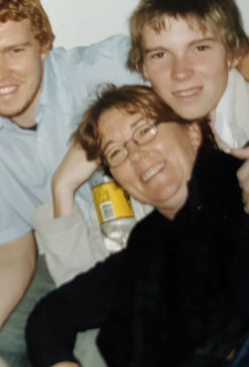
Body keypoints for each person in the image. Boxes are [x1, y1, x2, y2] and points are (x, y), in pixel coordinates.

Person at [0, 0, 148, 364]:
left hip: (156, 254)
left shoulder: (106, 67)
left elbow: (213, 51)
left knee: (97, 352)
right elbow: (10, 248)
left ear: (44, 46)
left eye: (15, 51)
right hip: (68, 265)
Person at [26, 84, 249, 367]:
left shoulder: (238, 190)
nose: (136, 155)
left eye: (144, 131)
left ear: (192, 133)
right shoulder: (150, 241)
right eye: (116, 153)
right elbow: (50, 315)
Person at [126, 0, 249, 211]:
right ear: (143, 68)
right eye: (160, 55)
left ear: (232, 54)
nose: (180, 72)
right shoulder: (144, 153)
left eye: (200, 48)